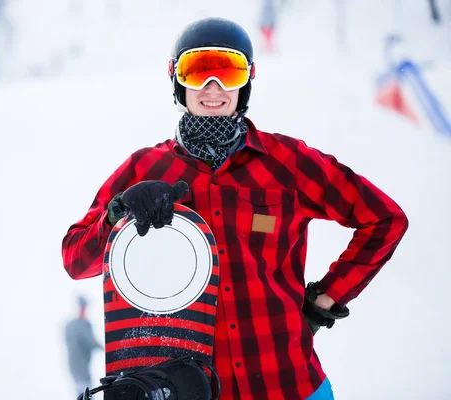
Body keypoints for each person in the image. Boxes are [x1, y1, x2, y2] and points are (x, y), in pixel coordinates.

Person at [61, 17, 408, 400]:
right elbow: (76, 258)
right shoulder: (145, 168)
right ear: (177, 80)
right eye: (197, 72)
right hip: (195, 387)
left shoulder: (287, 162)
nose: (213, 88)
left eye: (229, 71)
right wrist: (116, 215)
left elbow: (384, 219)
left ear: (246, 81)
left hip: (289, 383)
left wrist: (324, 301)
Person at [64, 295, 103, 396]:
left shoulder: (71, 325)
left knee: (83, 390)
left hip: (78, 364)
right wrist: (106, 349)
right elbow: (90, 342)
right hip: (78, 365)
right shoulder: (82, 324)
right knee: (84, 391)